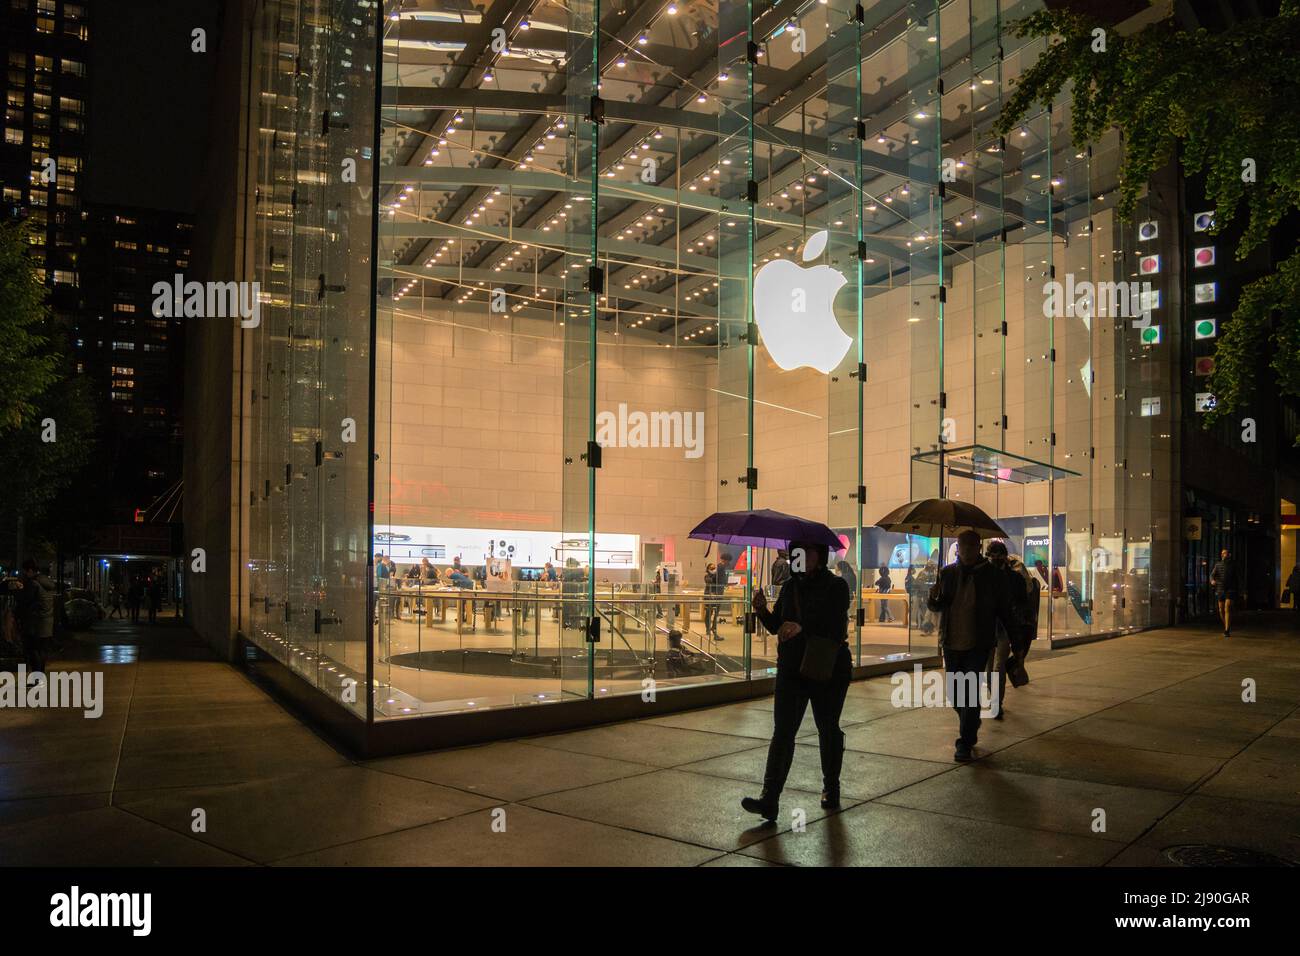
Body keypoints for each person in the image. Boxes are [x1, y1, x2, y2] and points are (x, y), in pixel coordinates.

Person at [741, 539, 852, 821]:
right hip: (791, 668)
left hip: (825, 667)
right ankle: (770, 798)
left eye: (806, 553)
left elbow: (836, 627)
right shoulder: (791, 587)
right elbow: (779, 625)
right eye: (795, 554)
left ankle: (831, 786)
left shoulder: (836, 586)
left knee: (827, 728)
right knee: (783, 731)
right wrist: (762, 610)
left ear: (820, 555)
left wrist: (803, 627)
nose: (799, 558)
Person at [926, 530, 1018, 761]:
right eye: (962, 546)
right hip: (951, 642)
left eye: (970, 546)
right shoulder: (947, 573)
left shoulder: (992, 575)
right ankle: (972, 718)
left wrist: (1017, 642)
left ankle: (964, 742)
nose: (965, 551)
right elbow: (938, 608)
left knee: (968, 692)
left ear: (978, 547)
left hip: (978, 643)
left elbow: (1004, 610)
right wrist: (933, 597)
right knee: (955, 694)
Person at [984, 541, 1035, 718]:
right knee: (992, 668)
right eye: (993, 556)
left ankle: (996, 703)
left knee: (996, 667)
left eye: (997, 556)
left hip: (1002, 627)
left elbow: (1022, 603)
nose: (996, 559)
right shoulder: (989, 577)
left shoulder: (1010, 578)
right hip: (993, 627)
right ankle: (995, 701)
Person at [12, 560, 53, 674]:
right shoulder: (46, 582)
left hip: (36, 622)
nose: (25, 575)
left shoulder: (33, 583)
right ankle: (40, 677)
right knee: (42, 651)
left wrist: (19, 590)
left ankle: (37, 678)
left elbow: (26, 601)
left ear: (30, 571)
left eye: (25, 572)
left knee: (33, 651)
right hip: (47, 620)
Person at [1209, 548, 1240, 637]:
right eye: (1222, 553)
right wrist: (1212, 581)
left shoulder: (1234, 565)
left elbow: (1238, 577)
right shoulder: (1218, 564)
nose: (1223, 554)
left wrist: (1240, 590)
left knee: (1227, 608)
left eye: (1225, 553)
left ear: (1229, 554)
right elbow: (1212, 575)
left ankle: (1227, 630)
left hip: (1230, 590)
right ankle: (1227, 626)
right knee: (1221, 610)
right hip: (1220, 589)